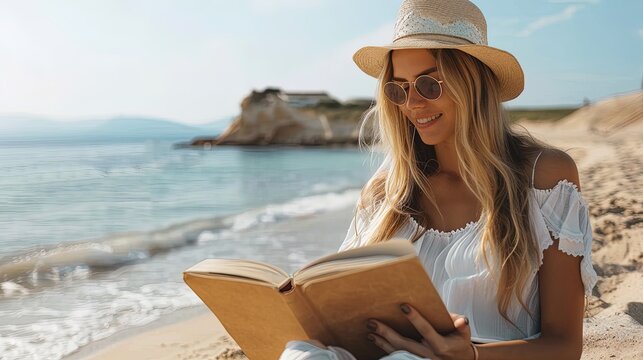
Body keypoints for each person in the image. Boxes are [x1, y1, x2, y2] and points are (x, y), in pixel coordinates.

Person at [279, 0, 596, 359]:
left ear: (473, 81)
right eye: (398, 89)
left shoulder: (546, 177)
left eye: (429, 84)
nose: (412, 103)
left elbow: (565, 345)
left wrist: (470, 357)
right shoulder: (386, 194)